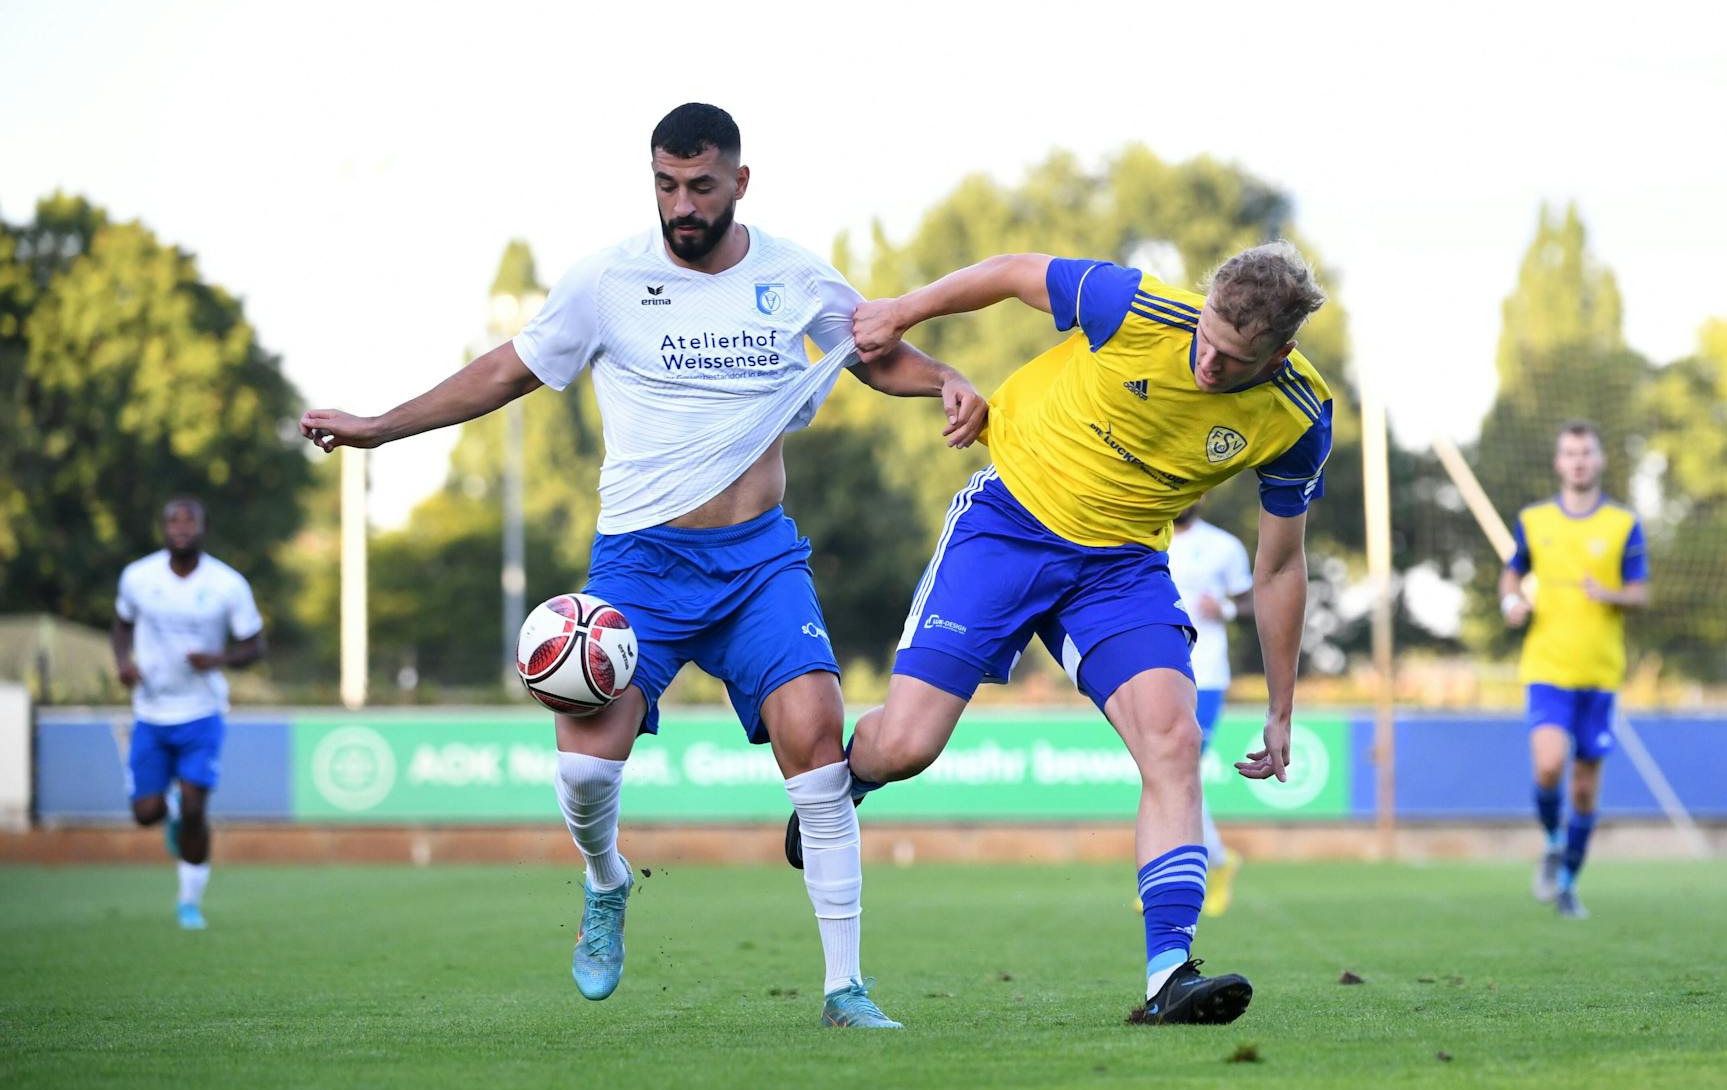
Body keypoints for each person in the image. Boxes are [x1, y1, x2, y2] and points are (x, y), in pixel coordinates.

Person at [301, 103, 987, 1029]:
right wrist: (380, 426)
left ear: (740, 182)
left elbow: (875, 354)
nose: (682, 205)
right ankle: (607, 878)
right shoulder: (609, 281)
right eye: (666, 185)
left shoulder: (793, 276)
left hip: (758, 562)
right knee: (587, 772)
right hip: (640, 562)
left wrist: (944, 378)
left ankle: (844, 988)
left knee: (819, 745)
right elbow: (507, 370)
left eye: (701, 186)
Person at [788, 242, 1333, 1025]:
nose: (1208, 362)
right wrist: (901, 312)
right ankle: (851, 782)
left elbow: (1282, 567)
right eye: (1206, 338)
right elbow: (1012, 271)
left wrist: (1282, 707)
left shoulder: (1298, 416)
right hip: (1009, 523)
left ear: (1280, 353)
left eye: (1233, 357)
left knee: (1173, 743)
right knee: (906, 745)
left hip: (1119, 568)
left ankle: (1169, 974)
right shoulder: (1138, 308)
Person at [1499, 422, 1649, 919]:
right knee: (1548, 764)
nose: (1578, 460)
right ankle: (1552, 839)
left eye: (1586, 452)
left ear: (1600, 460)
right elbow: (1513, 570)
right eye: (1570, 453)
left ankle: (1567, 883)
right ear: (1559, 463)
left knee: (1584, 787)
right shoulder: (1534, 519)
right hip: (1547, 668)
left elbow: (1640, 592)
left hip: (1601, 674)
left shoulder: (1624, 523)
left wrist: (1609, 595)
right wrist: (1510, 601)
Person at [112, 497, 266, 930]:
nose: (180, 528)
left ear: (203, 528)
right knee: (145, 814)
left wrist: (218, 658)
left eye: (189, 521)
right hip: (151, 710)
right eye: (172, 522)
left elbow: (256, 645)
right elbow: (121, 623)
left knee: (198, 808)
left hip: (202, 711)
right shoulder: (139, 577)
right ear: (163, 529)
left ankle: (189, 904)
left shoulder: (227, 584)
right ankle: (170, 810)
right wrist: (123, 662)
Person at [1165, 503, 1256, 916]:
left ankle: (1186, 876)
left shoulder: (1224, 546)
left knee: (1177, 771)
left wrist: (1228, 609)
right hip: (1158, 669)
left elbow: (1255, 599)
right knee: (1165, 771)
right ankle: (1213, 863)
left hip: (1208, 674)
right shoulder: (1140, 532)